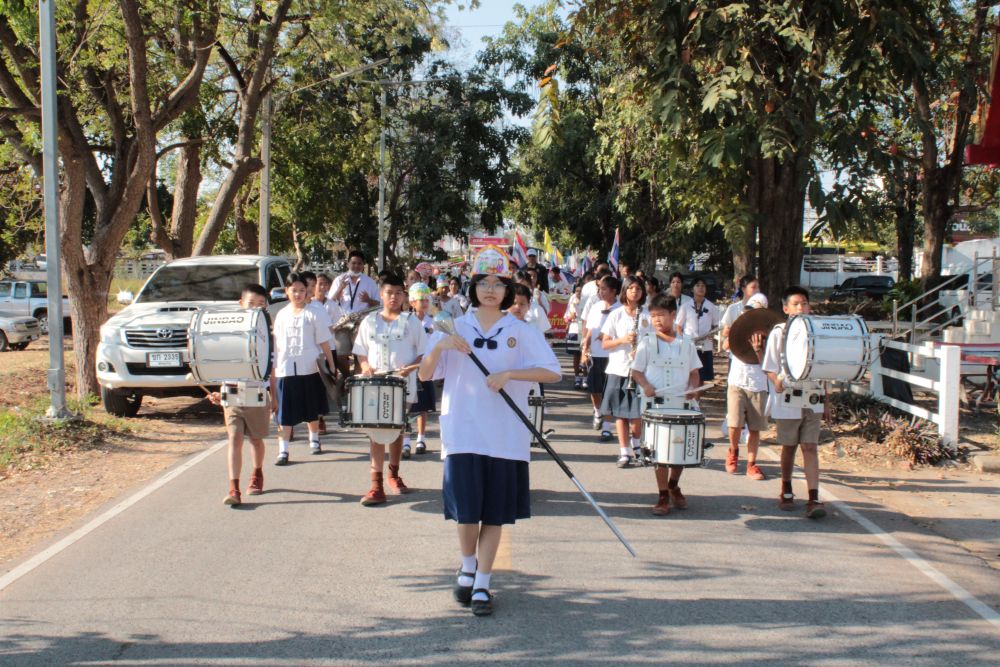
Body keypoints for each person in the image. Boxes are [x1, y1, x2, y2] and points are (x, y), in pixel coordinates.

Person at [419, 248, 561, 617]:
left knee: (495, 514)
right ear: (473, 287)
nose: (491, 290)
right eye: (484, 283)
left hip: (505, 436)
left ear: (508, 290)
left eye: (499, 284)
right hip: (462, 431)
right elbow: (424, 374)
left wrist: (510, 374)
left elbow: (552, 371)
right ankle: (468, 564)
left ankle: (483, 581)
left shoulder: (521, 330)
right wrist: (441, 345)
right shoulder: (455, 326)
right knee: (467, 512)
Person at [352, 273, 428, 505]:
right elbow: (361, 351)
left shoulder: (412, 322)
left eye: (398, 293)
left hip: (402, 384)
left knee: (396, 430)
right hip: (375, 385)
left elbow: (423, 353)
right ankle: (376, 485)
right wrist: (365, 366)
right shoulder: (369, 321)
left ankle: (393, 474)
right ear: (381, 294)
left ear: (404, 296)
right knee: (376, 433)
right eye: (389, 293)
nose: (393, 297)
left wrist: (409, 369)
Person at [629, 294, 702, 515]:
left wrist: (693, 389)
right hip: (656, 405)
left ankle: (673, 485)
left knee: (679, 450)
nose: (657, 320)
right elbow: (636, 371)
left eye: (661, 315)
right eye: (653, 316)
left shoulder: (686, 343)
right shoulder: (647, 342)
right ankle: (662, 495)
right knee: (659, 451)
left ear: (673, 315)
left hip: (681, 404)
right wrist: (646, 386)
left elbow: (694, 373)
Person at [762, 286, 827, 519]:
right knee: (789, 446)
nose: (801, 308)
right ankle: (786, 487)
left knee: (810, 446)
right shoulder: (779, 333)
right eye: (796, 304)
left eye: (805, 303)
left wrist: (826, 399)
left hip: (812, 396)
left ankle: (814, 497)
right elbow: (769, 366)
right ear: (786, 308)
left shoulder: (818, 331)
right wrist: (776, 382)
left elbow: (824, 366)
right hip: (788, 397)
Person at [210, 284, 272, 506]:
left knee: (256, 439)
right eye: (251, 303)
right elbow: (221, 361)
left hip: (257, 392)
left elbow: (272, 367)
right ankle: (234, 488)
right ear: (241, 304)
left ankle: (257, 472)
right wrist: (219, 391)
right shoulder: (229, 331)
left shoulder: (267, 333)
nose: (255, 308)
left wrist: (274, 396)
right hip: (233, 391)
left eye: (260, 304)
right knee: (234, 439)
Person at [271, 273, 337, 465]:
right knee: (284, 412)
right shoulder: (281, 314)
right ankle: (283, 450)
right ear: (287, 291)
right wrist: (273, 368)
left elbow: (324, 341)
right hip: (285, 368)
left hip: (309, 367)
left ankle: (314, 439)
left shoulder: (313, 313)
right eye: (294, 290)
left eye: (302, 290)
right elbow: (276, 344)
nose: (298, 294)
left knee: (311, 408)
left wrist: (331, 365)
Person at [600, 276, 653, 467]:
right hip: (619, 369)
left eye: (638, 288)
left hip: (640, 371)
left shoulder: (648, 315)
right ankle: (624, 451)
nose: (634, 292)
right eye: (631, 288)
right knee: (620, 412)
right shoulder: (616, 314)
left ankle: (637, 445)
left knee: (638, 413)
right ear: (624, 291)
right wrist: (623, 340)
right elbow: (605, 343)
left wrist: (642, 350)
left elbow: (655, 341)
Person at [719, 288, 770, 480]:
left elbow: (768, 365)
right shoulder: (739, 326)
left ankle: (751, 463)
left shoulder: (770, 333)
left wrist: (758, 348)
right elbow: (724, 346)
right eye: (749, 311)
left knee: (755, 427)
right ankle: (733, 451)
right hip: (737, 380)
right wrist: (735, 332)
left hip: (758, 383)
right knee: (734, 423)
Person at [581, 275, 621, 441]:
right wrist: (585, 348)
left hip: (613, 356)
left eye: (604, 289)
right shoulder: (596, 306)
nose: (601, 292)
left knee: (609, 393)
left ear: (614, 291)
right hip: (596, 355)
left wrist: (607, 336)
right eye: (600, 289)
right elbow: (590, 329)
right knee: (594, 390)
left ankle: (607, 427)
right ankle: (598, 412)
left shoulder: (621, 308)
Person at [675, 277, 721, 398]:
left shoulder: (711, 306)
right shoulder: (686, 306)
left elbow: (716, 324)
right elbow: (678, 326)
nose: (701, 288)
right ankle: (687, 399)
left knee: (702, 376)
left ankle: (697, 401)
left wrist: (712, 334)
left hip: (705, 346)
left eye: (703, 286)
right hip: (689, 345)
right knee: (688, 373)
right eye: (698, 285)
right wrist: (683, 339)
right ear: (692, 289)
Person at [406, 282, 436, 457]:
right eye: (420, 300)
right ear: (412, 302)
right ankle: (405, 440)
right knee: (407, 404)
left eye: (426, 299)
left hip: (425, 366)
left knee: (422, 405)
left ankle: (421, 438)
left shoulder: (433, 321)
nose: (424, 303)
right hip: (409, 367)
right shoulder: (406, 320)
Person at [329, 250, 380, 315]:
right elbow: (329, 303)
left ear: (363, 265)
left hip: (362, 319)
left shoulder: (370, 282)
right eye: (353, 263)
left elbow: (378, 304)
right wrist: (340, 289)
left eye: (359, 263)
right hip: (342, 319)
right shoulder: (339, 280)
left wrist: (368, 300)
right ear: (348, 264)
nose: (356, 266)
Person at [565, 280, 586, 389]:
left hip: (585, 329)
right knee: (576, 354)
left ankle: (585, 377)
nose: (578, 293)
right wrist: (569, 317)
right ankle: (577, 377)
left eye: (580, 291)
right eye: (577, 291)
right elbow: (566, 316)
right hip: (574, 329)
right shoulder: (572, 300)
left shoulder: (587, 301)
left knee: (585, 353)